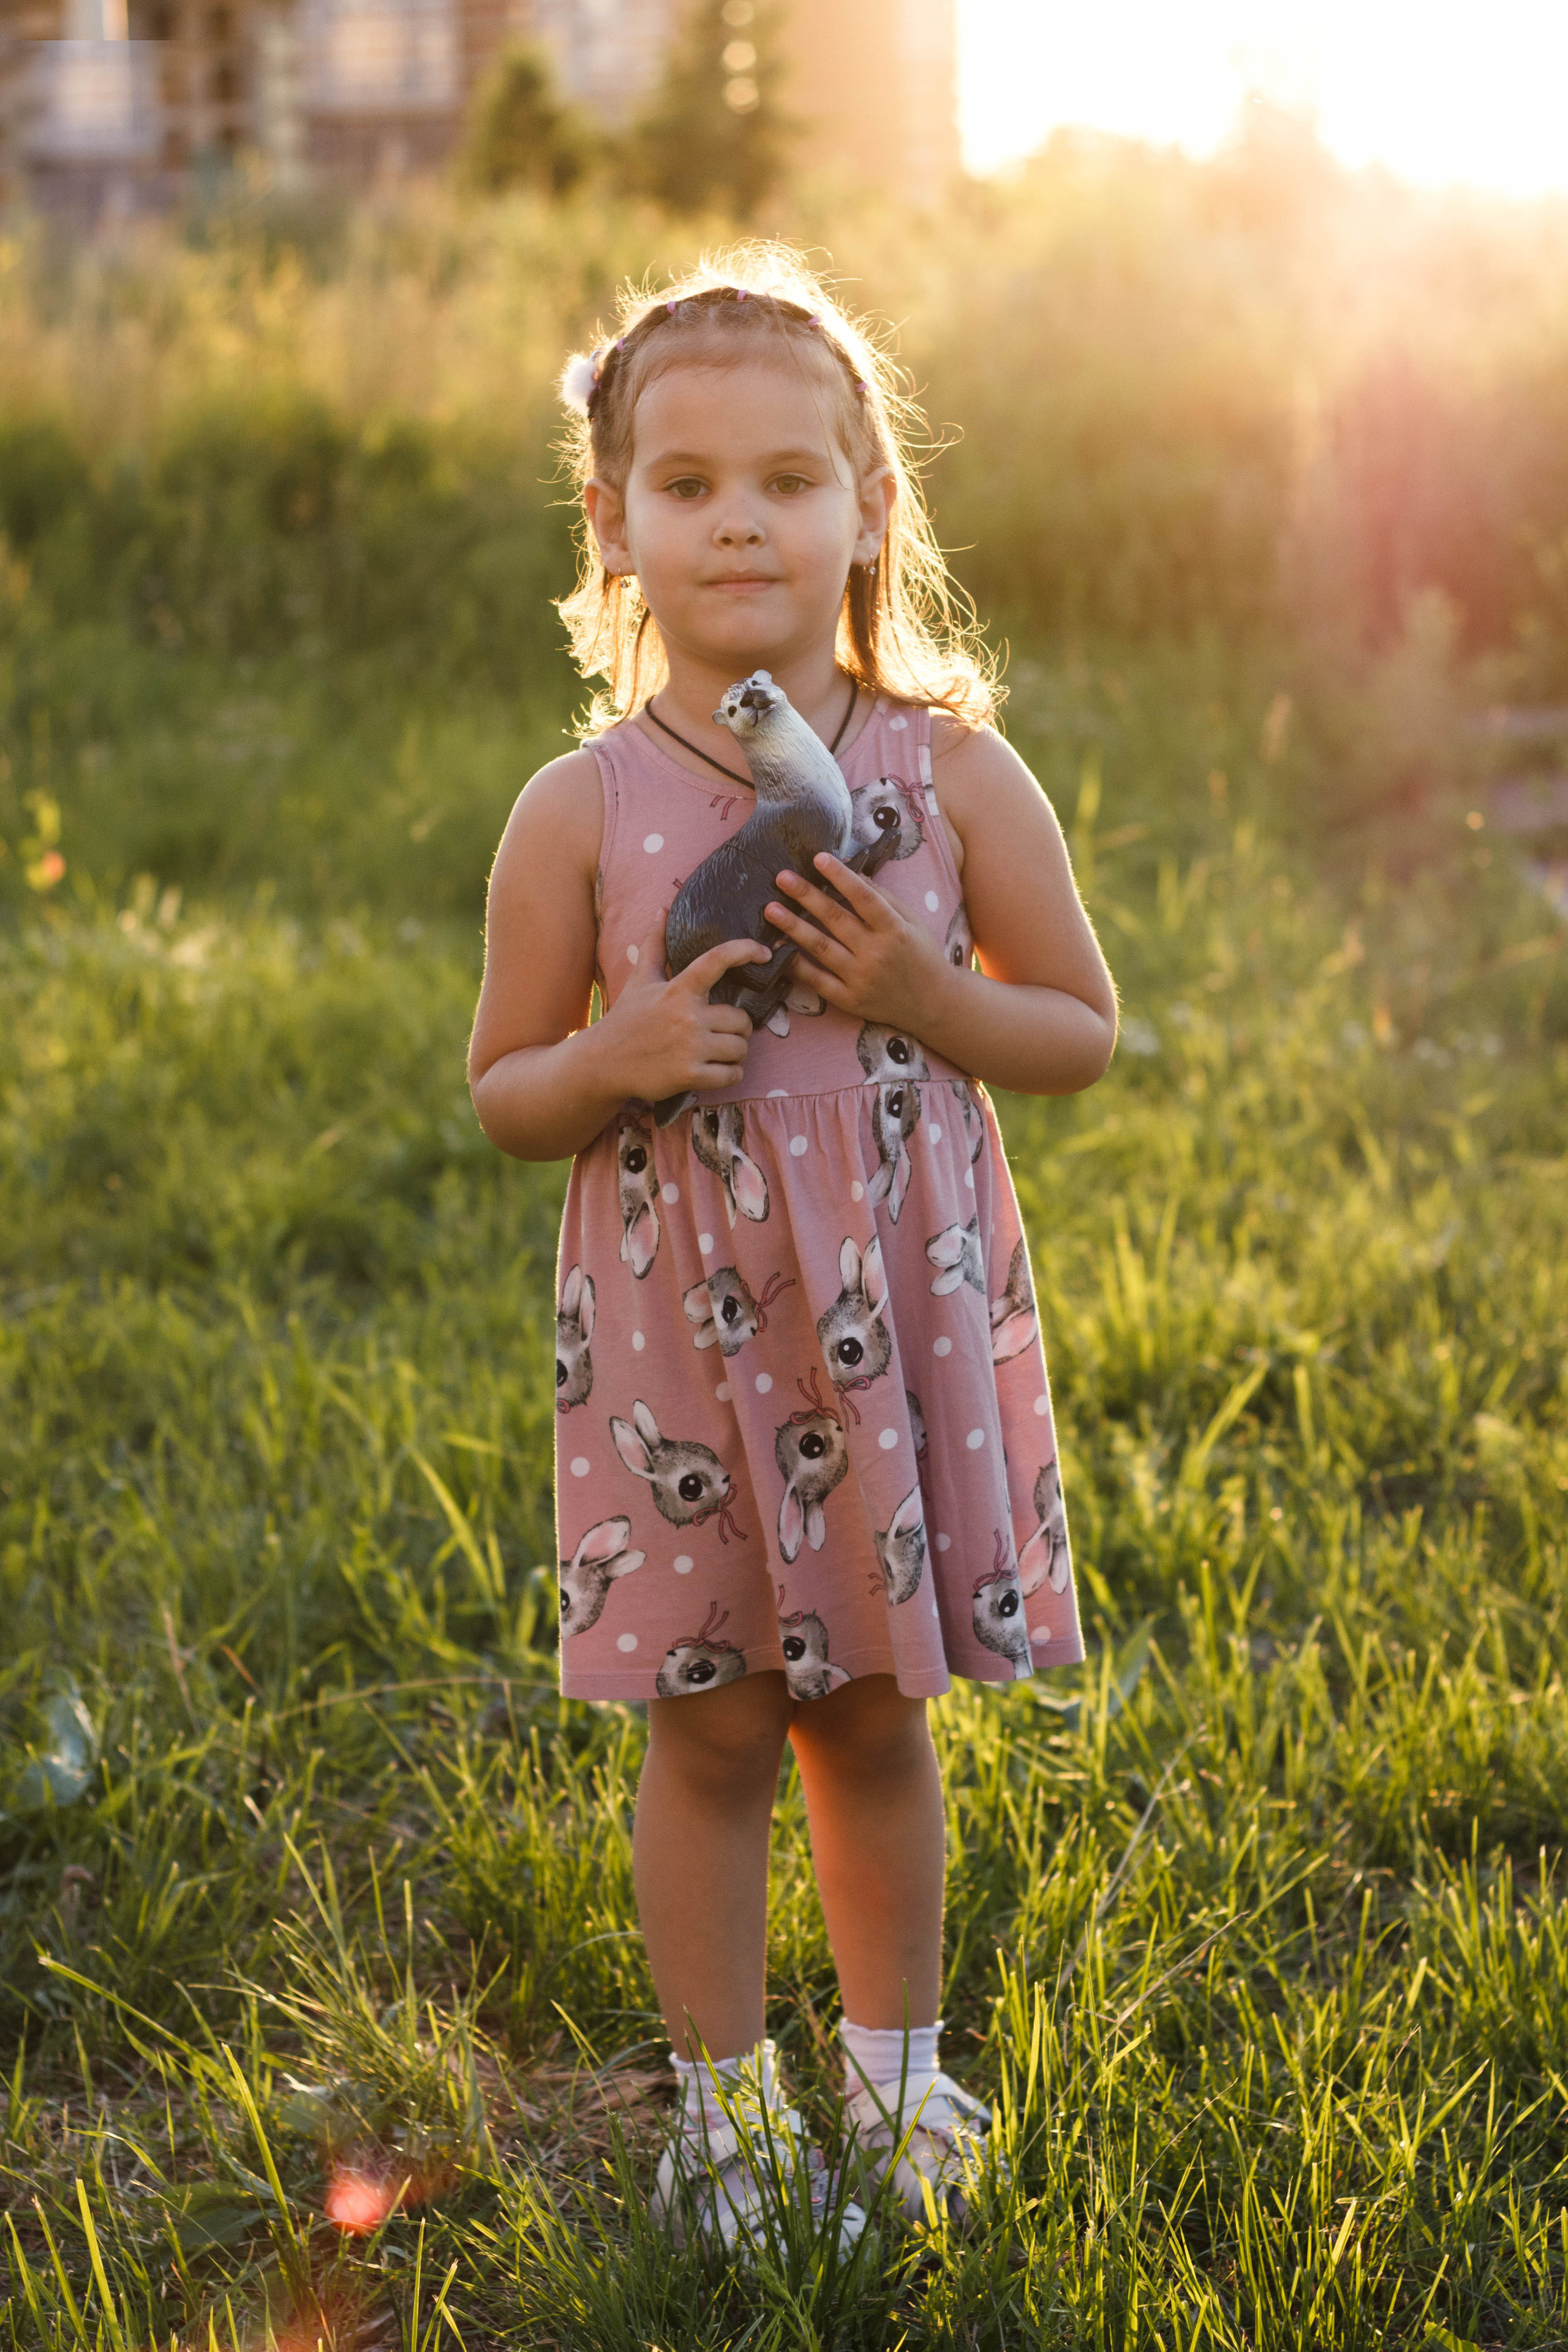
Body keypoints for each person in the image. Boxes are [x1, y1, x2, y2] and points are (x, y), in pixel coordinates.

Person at [468, 245, 1117, 2248]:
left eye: (786, 477)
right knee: (718, 1716)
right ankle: (729, 2109)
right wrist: (624, 1049)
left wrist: (923, 988)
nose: (738, 516)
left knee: (868, 1710)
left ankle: (896, 2083)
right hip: (687, 1335)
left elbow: (1078, 1030)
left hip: (886, 1316)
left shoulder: (951, 775)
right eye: (686, 485)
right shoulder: (578, 811)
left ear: (867, 509)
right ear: (616, 527)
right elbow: (503, 1088)